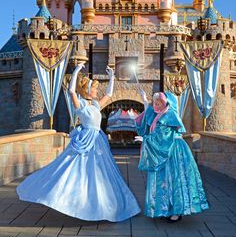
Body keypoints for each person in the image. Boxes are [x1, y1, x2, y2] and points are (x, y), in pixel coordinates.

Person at [17, 64, 140, 222]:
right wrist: (75, 72)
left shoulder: (95, 105)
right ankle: (72, 199)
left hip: (97, 140)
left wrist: (112, 77)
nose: (96, 91)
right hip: (85, 139)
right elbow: (71, 91)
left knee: (101, 172)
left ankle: (100, 204)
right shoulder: (80, 104)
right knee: (75, 169)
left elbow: (109, 94)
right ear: (87, 90)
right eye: (94, 89)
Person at [135, 90, 209, 222]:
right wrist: (145, 99)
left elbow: (162, 135)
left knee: (175, 179)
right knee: (163, 180)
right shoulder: (159, 114)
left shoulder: (169, 115)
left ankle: (177, 211)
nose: (155, 105)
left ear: (166, 103)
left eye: (158, 102)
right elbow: (149, 116)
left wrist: (145, 140)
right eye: (155, 102)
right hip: (163, 150)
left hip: (174, 150)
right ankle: (165, 208)